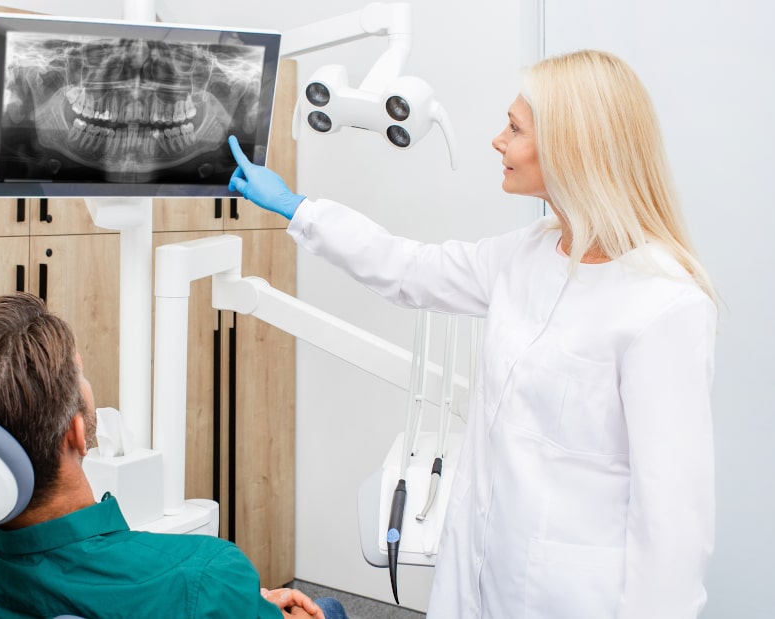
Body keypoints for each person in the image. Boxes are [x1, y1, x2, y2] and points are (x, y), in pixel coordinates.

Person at [228, 49, 716, 619]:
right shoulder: (531, 250)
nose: (496, 140)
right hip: (480, 569)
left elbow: (674, 518)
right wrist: (299, 209)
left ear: (572, 147)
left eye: (515, 128)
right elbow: (409, 268)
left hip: (578, 596)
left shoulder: (663, 305)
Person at [0, 292, 347, 619]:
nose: (86, 382)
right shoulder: (209, 573)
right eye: (80, 373)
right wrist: (233, 600)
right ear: (77, 433)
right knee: (327, 607)